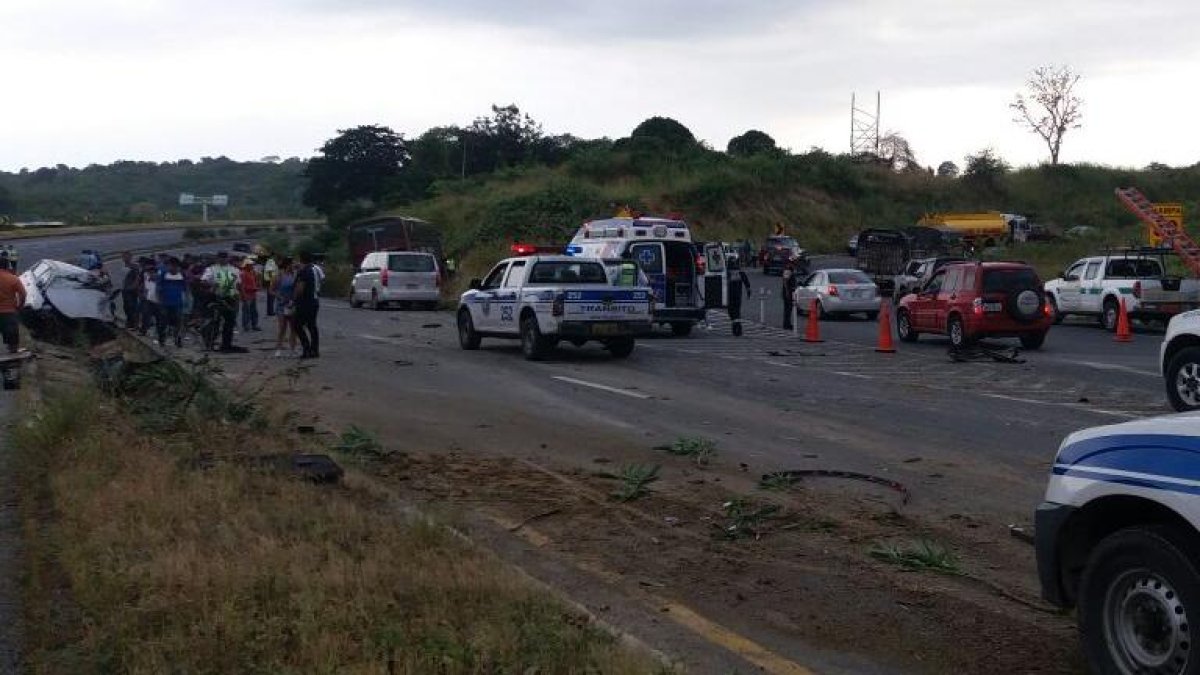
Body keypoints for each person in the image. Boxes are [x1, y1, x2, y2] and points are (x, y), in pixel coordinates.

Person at [201, 250, 243, 352]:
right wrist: (211, 286)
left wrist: (238, 298)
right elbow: (204, 281)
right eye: (221, 257)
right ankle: (209, 343)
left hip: (230, 298)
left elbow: (238, 285)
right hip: (216, 297)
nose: (223, 259)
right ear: (217, 258)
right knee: (215, 322)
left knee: (230, 322)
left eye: (224, 257)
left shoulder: (234, 270)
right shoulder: (211, 269)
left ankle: (226, 345)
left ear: (228, 258)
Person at [293, 251, 320, 359]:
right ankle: (314, 350)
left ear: (301, 260)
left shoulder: (303, 272)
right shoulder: (314, 269)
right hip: (314, 300)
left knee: (297, 325)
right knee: (312, 326)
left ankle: (306, 348)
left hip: (305, 303)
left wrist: (293, 299)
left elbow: (300, 289)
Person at [156, 257, 187, 347]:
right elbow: (158, 288)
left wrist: (185, 300)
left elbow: (185, 288)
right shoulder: (163, 274)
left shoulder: (181, 275)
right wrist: (159, 301)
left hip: (178, 303)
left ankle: (178, 339)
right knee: (163, 322)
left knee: (178, 322)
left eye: (174, 266)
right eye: (171, 265)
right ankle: (162, 339)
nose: (172, 268)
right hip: (165, 303)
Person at [272, 257, 297, 358]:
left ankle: (292, 349)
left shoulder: (295, 275)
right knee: (282, 327)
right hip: (281, 305)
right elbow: (271, 290)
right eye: (292, 264)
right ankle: (278, 349)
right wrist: (279, 296)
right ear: (288, 265)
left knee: (293, 328)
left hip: (292, 304)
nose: (294, 265)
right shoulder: (279, 275)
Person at [727, 257, 752, 336]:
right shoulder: (739, 271)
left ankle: (736, 328)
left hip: (730, 295)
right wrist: (748, 292)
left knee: (732, 312)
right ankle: (738, 329)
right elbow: (746, 282)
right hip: (738, 295)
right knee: (737, 312)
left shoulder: (727, 272)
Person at [118, 251, 142, 330]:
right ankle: (129, 322)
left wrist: (134, 286)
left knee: (132, 306)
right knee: (126, 306)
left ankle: (135, 324)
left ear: (130, 257)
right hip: (124, 289)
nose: (125, 258)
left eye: (127, 257)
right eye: (124, 257)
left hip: (131, 290)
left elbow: (138, 277)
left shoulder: (134, 266)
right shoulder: (123, 267)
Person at [139, 258, 160, 336]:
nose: (149, 271)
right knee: (145, 315)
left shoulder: (159, 275)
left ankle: (159, 332)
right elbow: (145, 285)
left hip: (157, 300)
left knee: (158, 316)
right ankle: (143, 330)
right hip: (148, 298)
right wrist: (143, 293)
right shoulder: (145, 274)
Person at [239, 258, 261, 332]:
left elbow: (255, 282)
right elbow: (242, 286)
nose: (252, 266)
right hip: (247, 294)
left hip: (252, 294)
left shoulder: (252, 273)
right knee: (246, 311)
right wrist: (244, 295)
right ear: (247, 265)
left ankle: (254, 325)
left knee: (253, 311)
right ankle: (246, 325)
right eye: (250, 265)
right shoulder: (243, 274)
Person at [782, 260, 799, 330]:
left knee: (789, 309)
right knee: (787, 309)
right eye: (793, 264)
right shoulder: (787, 270)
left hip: (790, 292)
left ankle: (787, 323)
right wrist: (787, 292)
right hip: (788, 293)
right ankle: (786, 324)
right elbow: (785, 282)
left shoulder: (790, 270)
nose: (794, 265)